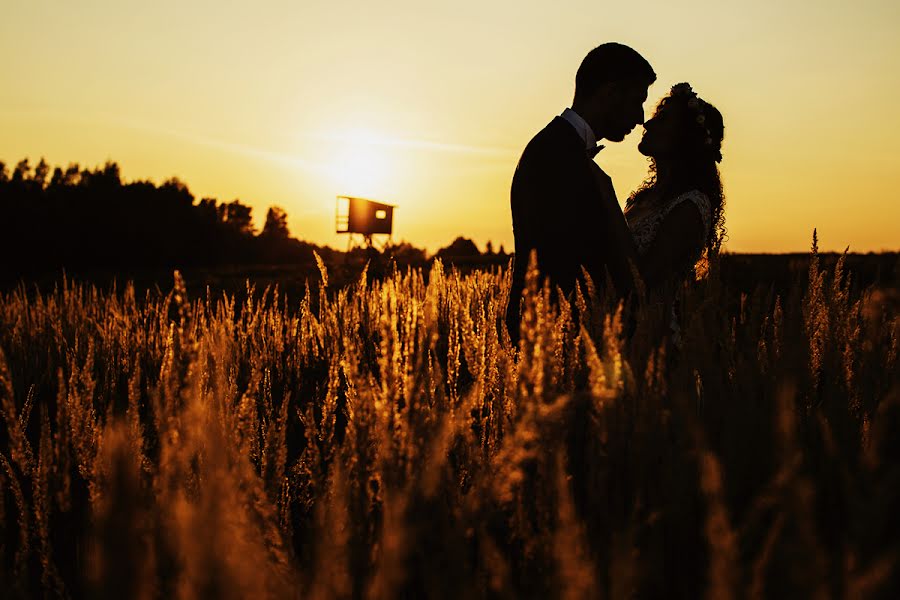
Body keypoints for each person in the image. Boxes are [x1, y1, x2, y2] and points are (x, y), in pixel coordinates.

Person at [506, 43, 656, 344]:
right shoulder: (557, 154)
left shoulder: (558, 146)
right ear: (611, 93)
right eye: (637, 100)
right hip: (558, 336)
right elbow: (564, 263)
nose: (640, 117)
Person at [624, 82, 726, 343]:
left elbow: (641, 281)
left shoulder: (689, 207)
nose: (647, 125)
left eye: (663, 120)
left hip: (650, 342)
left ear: (685, 138)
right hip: (620, 333)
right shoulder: (643, 198)